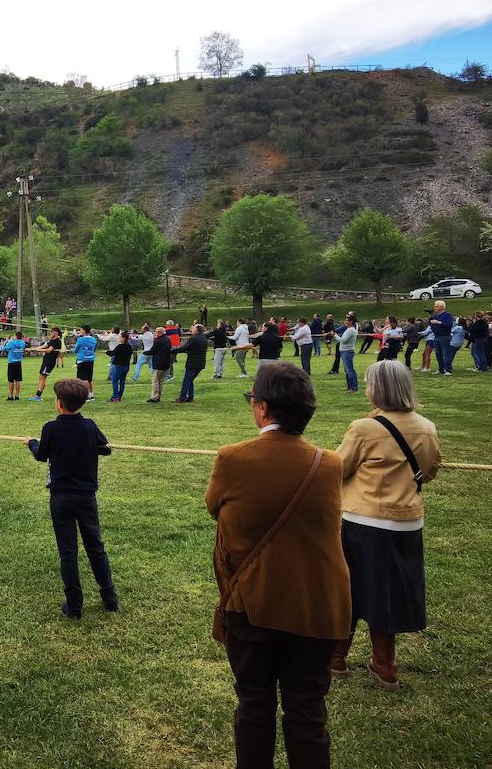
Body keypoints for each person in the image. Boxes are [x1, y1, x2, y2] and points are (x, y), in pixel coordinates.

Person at [205, 362, 350, 769]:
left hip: (255, 603)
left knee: (255, 704)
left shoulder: (233, 458)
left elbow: (214, 507)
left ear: (263, 407)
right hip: (318, 606)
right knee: (307, 711)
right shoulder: (330, 463)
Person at [334, 361, 441, 690]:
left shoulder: (364, 429)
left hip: (363, 522)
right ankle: (384, 664)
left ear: (378, 389)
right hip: (407, 523)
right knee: (387, 592)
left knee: (348, 590)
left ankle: (335, 658)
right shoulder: (426, 427)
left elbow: (339, 468)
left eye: (369, 384)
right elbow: (430, 470)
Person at [26, 379, 118, 618]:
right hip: (86, 498)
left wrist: (32, 443)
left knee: (68, 552)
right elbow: (106, 448)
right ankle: (110, 599)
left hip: (61, 499)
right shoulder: (89, 426)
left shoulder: (51, 428)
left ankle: (74, 606)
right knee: (95, 547)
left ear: (59, 403)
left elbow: (41, 455)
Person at [173, 323, 209, 403]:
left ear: (197, 330)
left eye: (193, 328)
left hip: (192, 363)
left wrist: (172, 351)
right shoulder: (204, 339)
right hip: (201, 363)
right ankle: (190, 396)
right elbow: (194, 349)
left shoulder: (193, 338)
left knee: (186, 381)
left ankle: (182, 398)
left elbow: (184, 348)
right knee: (190, 380)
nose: (191, 330)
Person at [28, 326, 63, 401]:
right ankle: (37, 395)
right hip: (47, 361)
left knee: (42, 377)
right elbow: (44, 346)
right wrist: (33, 349)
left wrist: (38, 350)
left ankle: (38, 396)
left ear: (56, 332)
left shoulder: (57, 341)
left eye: (52, 331)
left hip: (49, 362)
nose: (50, 333)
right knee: (41, 377)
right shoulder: (53, 341)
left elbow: (49, 350)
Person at [145, 326, 173, 403]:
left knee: (155, 381)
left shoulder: (158, 341)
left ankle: (154, 397)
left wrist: (145, 352)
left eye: (156, 332)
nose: (155, 333)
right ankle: (158, 396)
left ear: (160, 333)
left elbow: (152, 351)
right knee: (161, 381)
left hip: (159, 364)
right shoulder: (168, 339)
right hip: (166, 363)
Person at [72, 325, 100, 400]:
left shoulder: (80, 340)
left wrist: (73, 350)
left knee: (84, 379)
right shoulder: (93, 339)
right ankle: (91, 395)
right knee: (89, 379)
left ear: (84, 330)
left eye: (81, 330)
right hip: (91, 360)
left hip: (82, 361)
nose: (80, 331)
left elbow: (75, 350)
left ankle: (86, 395)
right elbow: (94, 349)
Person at [428, 301, 455, 375]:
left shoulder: (448, 315)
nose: (434, 308)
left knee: (445, 354)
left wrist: (438, 322)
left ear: (441, 307)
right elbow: (432, 325)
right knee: (438, 354)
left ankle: (448, 370)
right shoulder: (436, 315)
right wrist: (433, 326)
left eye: (436, 306)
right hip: (436, 336)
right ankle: (441, 369)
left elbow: (449, 325)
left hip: (445, 337)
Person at [0, 331, 28, 400]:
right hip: (19, 363)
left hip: (12, 363)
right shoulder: (23, 343)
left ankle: (10, 396)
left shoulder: (12, 342)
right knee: (18, 380)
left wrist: (7, 341)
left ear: (16, 336)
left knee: (11, 380)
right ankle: (17, 395)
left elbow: (4, 348)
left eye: (14, 336)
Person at [106, 331, 133, 402]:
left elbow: (112, 353)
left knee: (115, 381)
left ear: (124, 338)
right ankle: (119, 397)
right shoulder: (129, 346)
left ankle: (115, 397)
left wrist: (107, 352)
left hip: (119, 366)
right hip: (126, 366)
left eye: (120, 337)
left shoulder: (120, 346)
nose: (119, 338)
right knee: (122, 382)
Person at [336, 314, 359, 393]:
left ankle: (354, 388)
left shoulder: (351, 330)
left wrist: (335, 336)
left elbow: (343, 340)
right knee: (347, 370)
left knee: (350, 370)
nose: (345, 322)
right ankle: (349, 387)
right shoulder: (348, 329)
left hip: (347, 351)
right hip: (345, 351)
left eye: (346, 321)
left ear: (351, 322)